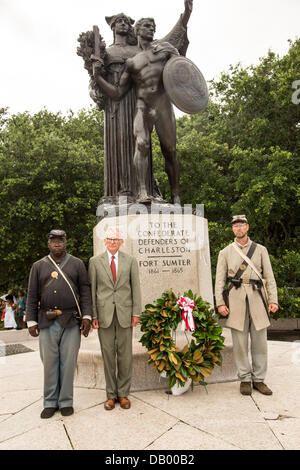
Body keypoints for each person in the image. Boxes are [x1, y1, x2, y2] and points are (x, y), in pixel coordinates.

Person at [78, 0, 193, 204]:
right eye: (146, 26)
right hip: (141, 106)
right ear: (138, 31)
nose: (151, 29)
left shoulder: (164, 49)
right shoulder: (132, 62)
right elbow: (117, 92)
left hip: (162, 104)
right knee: (141, 144)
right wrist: (97, 77)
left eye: (153, 27)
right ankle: (142, 191)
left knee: (170, 151)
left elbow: (181, 65)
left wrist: (186, 14)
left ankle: (176, 194)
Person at [26, 230, 93, 419]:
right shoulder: (38, 266)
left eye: (60, 241)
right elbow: (31, 294)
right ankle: (49, 401)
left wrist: (87, 316)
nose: (57, 244)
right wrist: (31, 320)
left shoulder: (77, 264)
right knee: (49, 363)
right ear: (48, 243)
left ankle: (65, 401)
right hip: (46, 320)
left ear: (66, 243)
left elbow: (85, 291)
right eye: (53, 241)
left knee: (68, 363)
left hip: (71, 320)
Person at [215, 215, 279, 396]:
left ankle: (259, 379)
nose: (239, 229)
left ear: (247, 227)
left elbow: (270, 277)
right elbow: (219, 280)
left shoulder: (260, 250)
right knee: (240, 341)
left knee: (260, 341)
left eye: (241, 225)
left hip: (257, 296)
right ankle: (244, 378)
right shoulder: (225, 252)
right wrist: (220, 303)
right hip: (235, 298)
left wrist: (273, 300)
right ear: (233, 229)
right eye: (235, 226)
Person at [88, 228, 142, 410]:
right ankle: (111, 395)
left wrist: (136, 313)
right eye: (110, 239)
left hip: (125, 315)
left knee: (125, 356)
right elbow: (92, 291)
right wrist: (94, 315)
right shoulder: (94, 262)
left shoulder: (131, 261)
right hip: (104, 316)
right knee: (108, 356)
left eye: (116, 239)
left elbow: (136, 289)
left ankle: (123, 394)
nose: (112, 242)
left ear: (121, 242)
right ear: (104, 241)